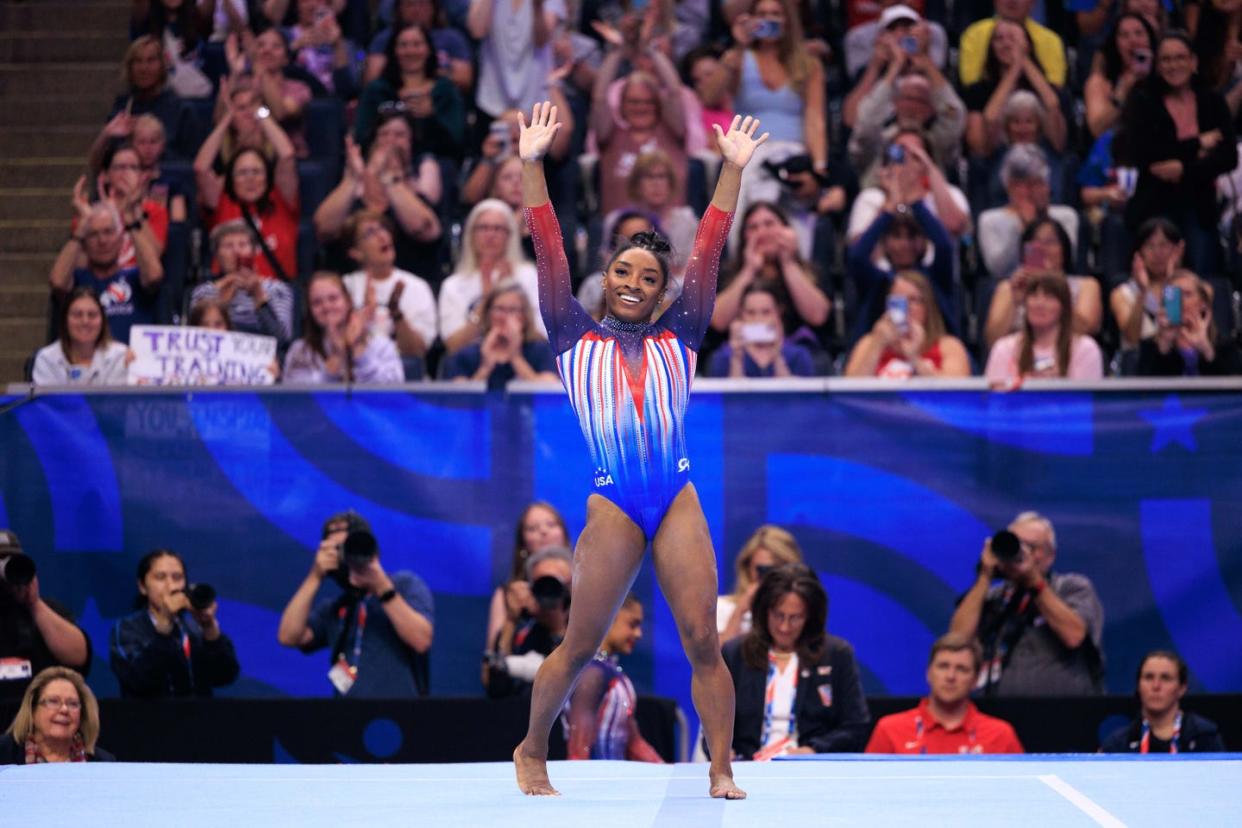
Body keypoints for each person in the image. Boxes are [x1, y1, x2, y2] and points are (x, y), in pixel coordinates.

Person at [513, 102, 768, 798]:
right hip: (615, 502)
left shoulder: (681, 334)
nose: (633, 283)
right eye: (623, 273)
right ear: (606, 279)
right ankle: (532, 749)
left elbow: (710, 249)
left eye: (648, 278)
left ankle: (719, 769)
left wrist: (731, 173)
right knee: (580, 645)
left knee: (702, 640)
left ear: (663, 294)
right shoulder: (570, 331)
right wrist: (532, 163)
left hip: (675, 495)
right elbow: (549, 248)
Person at [277, 511, 435, 697]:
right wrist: (315, 575)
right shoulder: (335, 608)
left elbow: (421, 640)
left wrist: (381, 586)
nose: (347, 557)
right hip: (348, 718)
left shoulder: (404, 585)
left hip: (402, 717)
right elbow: (288, 636)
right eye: (337, 550)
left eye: (349, 547)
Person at [1119, 31, 1238, 275]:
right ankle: (1165, 314)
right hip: (1154, 204)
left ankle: (1201, 314)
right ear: (1157, 65)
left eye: (1180, 58)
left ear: (1193, 62)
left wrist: (1183, 168)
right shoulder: (1143, 100)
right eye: (1166, 59)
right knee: (1162, 276)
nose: (1173, 65)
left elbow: (1228, 157)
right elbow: (1144, 154)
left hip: (1199, 205)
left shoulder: (1212, 102)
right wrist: (1196, 145)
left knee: (1203, 275)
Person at [949, 511, 1105, 696]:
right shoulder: (994, 597)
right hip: (1000, 716)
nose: (1022, 553)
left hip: (1064, 713)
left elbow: (1074, 636)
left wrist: (1033, 581)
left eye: (1031, 546)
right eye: (1015, 544)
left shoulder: (1071, 587)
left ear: (1050, 555)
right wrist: (985, 576)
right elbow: (957, 642)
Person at [723, 563, 870, 758]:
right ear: (763, 610)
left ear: (810, 616)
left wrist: (813, 750)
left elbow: (855, 727)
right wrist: (725, 754)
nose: (784, 627)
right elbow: (714, 726)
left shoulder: (836, 654)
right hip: (746, 768)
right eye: (778, 615)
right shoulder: (736, 653)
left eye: (795, 618)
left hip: (810, 770)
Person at [193, 92, 301, 280]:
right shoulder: (222, 202)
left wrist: (260, 112)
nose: (250, 179)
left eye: (257, 172)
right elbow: (201, 168)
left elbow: (287, 155)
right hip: (228, 294)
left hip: (275, 296)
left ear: (267, 176)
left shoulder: (280, 198)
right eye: (242, 173)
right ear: (230, 178)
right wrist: (228, 118)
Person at [589, 19, 690, 216]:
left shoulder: (672, 133)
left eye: (648, 101)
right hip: (622, 235)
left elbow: (674, 91)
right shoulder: (611, 137)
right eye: (633, 102)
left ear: (658, 105)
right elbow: (599, 97)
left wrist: (650, 50)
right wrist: (619, 51)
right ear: (622, 105)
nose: (641, 107)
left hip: (670, 235)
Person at [109, 548, 240, 699]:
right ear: (142, 586)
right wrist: (164, 623)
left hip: (199, 719)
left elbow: (225, 676)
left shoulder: (193, 628)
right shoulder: (126, 629)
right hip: (149, 720)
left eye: (177, 577)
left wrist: (209, 627)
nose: (171, 586)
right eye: (160, 577)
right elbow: (139, 680)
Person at [866, 634, 1025, 754]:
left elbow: (1023, 794)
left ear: (976, 680)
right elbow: (867, 791)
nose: (950, 676)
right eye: (943, 666)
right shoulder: (889, 730)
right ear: (928, 673)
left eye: (961, 669)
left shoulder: (1000, 735)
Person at [710, 201, 831, 350]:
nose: (762, 232)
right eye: (753, 227)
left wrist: (788, 264)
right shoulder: (729, 274)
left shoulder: (810, 272)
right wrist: (749, 270)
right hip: (743, 351)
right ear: (744, 236)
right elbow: (718, 322)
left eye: (769, 224)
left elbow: (818, 316)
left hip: (796, 352)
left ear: (786, 229)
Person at [563, 594, 664, 762]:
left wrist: (667, 771)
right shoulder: (591, 675)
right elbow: (578, 751)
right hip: (594, 781)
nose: (638, 633)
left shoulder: (609, 670)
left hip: (613, 777)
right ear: (608, 618)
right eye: (633, 624)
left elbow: (634, 742)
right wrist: (581, 786)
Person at [49, 197, 163, 345]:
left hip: (131, 363)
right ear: (84, 243)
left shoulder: (135, 277)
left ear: (121, 238)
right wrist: (80, 229)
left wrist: (130, 223)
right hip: (86, 364)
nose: (102, 241)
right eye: (93, 234)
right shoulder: (77, 281)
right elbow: (57, 282)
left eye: (108, 232)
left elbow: (155, 276)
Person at [438, 199, 543, 354]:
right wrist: (488, 299)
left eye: (498, 228)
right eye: (483, 228)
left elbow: (542, 336)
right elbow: (453, 345)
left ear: (510, 235)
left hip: (524, 354)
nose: (490, 235)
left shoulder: (529, 275)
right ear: (471, 234)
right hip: (472, 361)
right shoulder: (453, 285)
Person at [983, 216, 1102, 350]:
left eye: (1050, 242)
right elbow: (993, 340)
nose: (1043, 249)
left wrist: (1053, 286)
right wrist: (1015, 302)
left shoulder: (1086, 285)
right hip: (1018, 354)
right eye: (1036, 243)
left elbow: (1087, 329)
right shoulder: (1009, 287)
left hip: (1069, 353)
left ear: (1064, 249)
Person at [0, 532, 91, 702]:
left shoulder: (46, 611)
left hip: (37, 718)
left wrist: (34, 604)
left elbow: (78, 657)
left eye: (9, 561)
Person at [353, 22, 466, 157]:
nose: (410, 51)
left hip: (435, 163)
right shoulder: (377, 90)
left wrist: (431, 116)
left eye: (417, 44)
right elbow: (361, 138)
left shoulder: (446, 91)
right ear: (393, 50)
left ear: (429, 49)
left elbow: (457, 143)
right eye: (403, 45)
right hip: (383, 160)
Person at [962, 19, 1068, 160]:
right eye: (999, 39)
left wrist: (1023, 59)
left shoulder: (1045, 89)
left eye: (1013, 39)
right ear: (991, 47)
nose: (1006, 44)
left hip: (1042, 159)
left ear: (1027, 45)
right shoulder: (978, 91)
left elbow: (1053, 107)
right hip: (998, 161)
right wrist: (1015, 70)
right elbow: (986, 133)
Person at [341, 210, 438, 362]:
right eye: (370, 233)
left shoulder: (416, 287)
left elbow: (418, 352)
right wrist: (365, 314)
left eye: (383, 229)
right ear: (356, 253)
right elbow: (335, 343)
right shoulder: (345, 288)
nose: (382, 236)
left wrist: (396, 313)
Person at [845, 270, 971, 378]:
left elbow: (956, 395)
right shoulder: (869, 343)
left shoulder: (949, 346)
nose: (906, 308)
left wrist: (914, 359)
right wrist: (877, 346)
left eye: (913, 300)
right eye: (898, 301)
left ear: (927, 306)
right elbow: (847, 394)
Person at [190, 220, 296, 348]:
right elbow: (194, 339)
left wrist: (259, 298)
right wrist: (221, 304)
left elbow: (282, 340)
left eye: (243, 245)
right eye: (228, 246)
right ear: (217, 256)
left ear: (253, 251)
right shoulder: (204, 292)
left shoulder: (277, 289)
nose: (237, 251)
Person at [485, 546, 573, 698]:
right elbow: (496, 687)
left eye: (555, 583)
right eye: (542, 584)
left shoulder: (588, 636)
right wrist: (512, 619)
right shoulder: (521, 638)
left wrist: (559, 625)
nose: (549, 590)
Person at [284, 272, 405, 383]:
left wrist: (358, 350)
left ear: (348, 301)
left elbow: (394, 388)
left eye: (333, 298)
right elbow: (297, 397)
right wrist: (338, 355)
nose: (326, 306)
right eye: (317, 302)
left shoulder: (380, 345)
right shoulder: (300, 351)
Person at [985, 273, 1104, 383]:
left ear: (1064, 307)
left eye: (1049, 297)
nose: (1039, 303)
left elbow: (1084, 401)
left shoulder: (1085, 349)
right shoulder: (1004, 348)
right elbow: (995, 400)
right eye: (1033, 295)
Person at [484, 502, 572, 650]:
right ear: (523, 543)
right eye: (532, 528)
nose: (543, 531)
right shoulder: (509, 595)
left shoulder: (585, 588)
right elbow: (491, 663)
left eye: (551, 524)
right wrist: (512, 619)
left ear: (564, 534)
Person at [442, 279, 559, 389]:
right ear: (487, 314)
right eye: (499, 309)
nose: (505, 317)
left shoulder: (542, 351)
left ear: (524, 316)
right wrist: (485, 367)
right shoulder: (466, 354)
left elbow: (549, 395)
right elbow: (459, 400)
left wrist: (516, 357)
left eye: (512, 310)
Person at [1100, 650, 1226, 753]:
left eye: (1166, 678)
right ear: (1138, 686)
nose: (1156, 686)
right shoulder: (1118, 744)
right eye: (1149, 677)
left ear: (1182, 688)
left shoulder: (1204, 737)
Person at [1137, 270, 1242, 376]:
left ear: (1202, 303)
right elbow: (1145, 387)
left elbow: (1233, 386)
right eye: (1175, 295)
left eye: (1187, 294)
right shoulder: (1149, 347)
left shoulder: (1225, 346)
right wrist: (1164, 346)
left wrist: (1206, 349)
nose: (1181, 301)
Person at [0, 667, 113, 764]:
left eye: (72, 704)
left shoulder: (104, 762)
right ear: (32, 710)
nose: (64, 709)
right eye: (53, 701)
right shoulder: (4, 753)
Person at [717, 524, 803, 643]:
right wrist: (740, 611)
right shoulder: (723, 608)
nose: (769, 578)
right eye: (762, 570)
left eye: (776, 570)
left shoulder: (801, 612)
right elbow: (718, 657)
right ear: (748, 568)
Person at [707, 284, 817, 377]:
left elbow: (799, 399)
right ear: (741, 314)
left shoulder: (798, 355)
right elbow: (729, 400)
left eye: (766, 312)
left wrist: (777, 356)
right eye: (751, 313)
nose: (758, 319)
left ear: (778, 313)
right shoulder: (723, 357)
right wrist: (737, 359)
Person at [1110, 217, 1185, 350]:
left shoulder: (1194, 289)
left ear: (1178, 250)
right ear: (1139, 253)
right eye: (1150, 246)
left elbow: (1178, 333)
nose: (1157, 253)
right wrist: (1143, 292)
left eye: (1163, 245)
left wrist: (1171, 282)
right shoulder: (1121, 294)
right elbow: (1132, 338)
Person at [958, 0, 1067, 89]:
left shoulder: (1051, 40)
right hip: (986, 103)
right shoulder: (973, 35)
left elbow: (1056, 88)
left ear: (1033, 2)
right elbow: (970, 84)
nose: (1012, 1)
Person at [32, 288, 129, 386]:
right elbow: (47, 401)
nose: (85, 321)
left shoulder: (120, 355)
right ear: (65, 320)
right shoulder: (47, 358)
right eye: (77, 315)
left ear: (102, 321)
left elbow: (119, 401)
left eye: (92, 315)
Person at [1083, 13, 1159, 139]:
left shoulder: (1164, 76)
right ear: (1116, 44)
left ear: (1150, 40)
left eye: (1139, 33)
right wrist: (1123, 90)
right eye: (1124, 35)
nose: (1133, 40)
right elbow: (1097, 130)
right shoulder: (1099, 82)